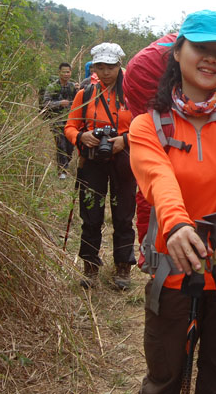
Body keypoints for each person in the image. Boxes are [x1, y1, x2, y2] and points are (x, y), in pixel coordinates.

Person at [129, 10, 216, 393]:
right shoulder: (147, 125)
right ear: (177, 52)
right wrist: (176, 224)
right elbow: (158, 179)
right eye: (200, 47)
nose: (210, 58)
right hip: (174, 270)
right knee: (164, 379)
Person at [65, 43, 136, 290]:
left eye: (111, 67)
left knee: (124, 216)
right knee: (91, 216)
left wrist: (125, 140)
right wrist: (81, 137)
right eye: (101, 67)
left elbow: (146, 127)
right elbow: (70, 126)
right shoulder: (85, 94)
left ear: (120, 66)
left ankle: (123, 268)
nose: (106, 72)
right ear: (94, 67)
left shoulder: (132, 94)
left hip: (124, 160)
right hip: (93, 160)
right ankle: (90, 267)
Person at [42, 62, 78, 179]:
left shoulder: (73, 87)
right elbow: (46, 104)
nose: (66, 74)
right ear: (59, 73)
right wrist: (59, 104)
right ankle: (62, 171)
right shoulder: (52, 87)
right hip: (56, 120)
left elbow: (80, 101)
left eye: (68, 72)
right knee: (60, 144)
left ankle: (64, 166)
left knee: (70, 146)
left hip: (70, 121)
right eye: (64, 72)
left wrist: (79, 90)